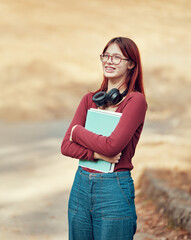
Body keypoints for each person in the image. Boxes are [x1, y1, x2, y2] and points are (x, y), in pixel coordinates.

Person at [60, 37, 147, 240]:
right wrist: (95, 153)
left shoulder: (135, 101)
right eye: (106, 56)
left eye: (117, 57)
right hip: (80, 186)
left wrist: (77, 132)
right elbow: (65, 146)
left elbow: (112, 146)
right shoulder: (89, 99)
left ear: (131, 64)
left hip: (113, 189)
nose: (109, 61)